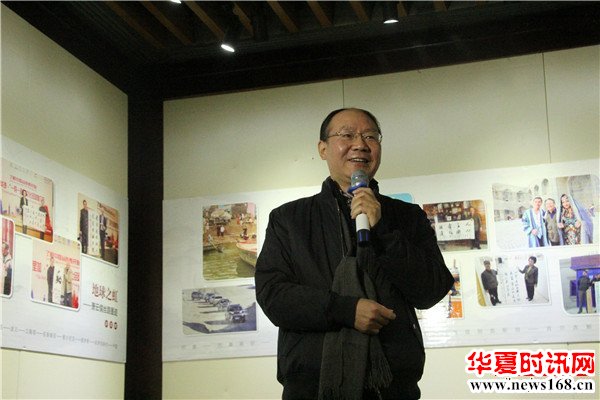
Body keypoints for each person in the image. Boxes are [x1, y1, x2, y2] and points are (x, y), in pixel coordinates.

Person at [255, 108, 454, 400]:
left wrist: (383, 230)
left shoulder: (407, 216)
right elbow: (274, 296)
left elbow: (432, 290)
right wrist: (345, 310)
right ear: (323, 149)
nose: (360, 144)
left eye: (370, 136)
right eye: (347, 135)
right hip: (313, 387)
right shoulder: (289, 219)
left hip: (393, 386)